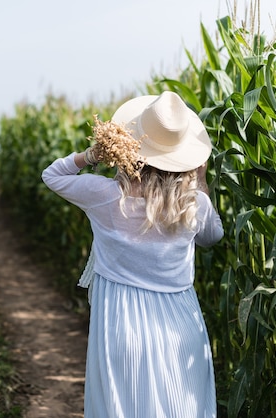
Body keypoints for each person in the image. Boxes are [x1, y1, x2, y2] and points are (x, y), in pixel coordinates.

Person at [41, 91, 224, 417]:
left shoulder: (106, 195)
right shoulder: (193, 204)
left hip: (121, 324)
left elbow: (52, 175)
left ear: (132, 145)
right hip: (182, 326)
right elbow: (214, 237)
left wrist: (93, 155)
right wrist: (201, 181)